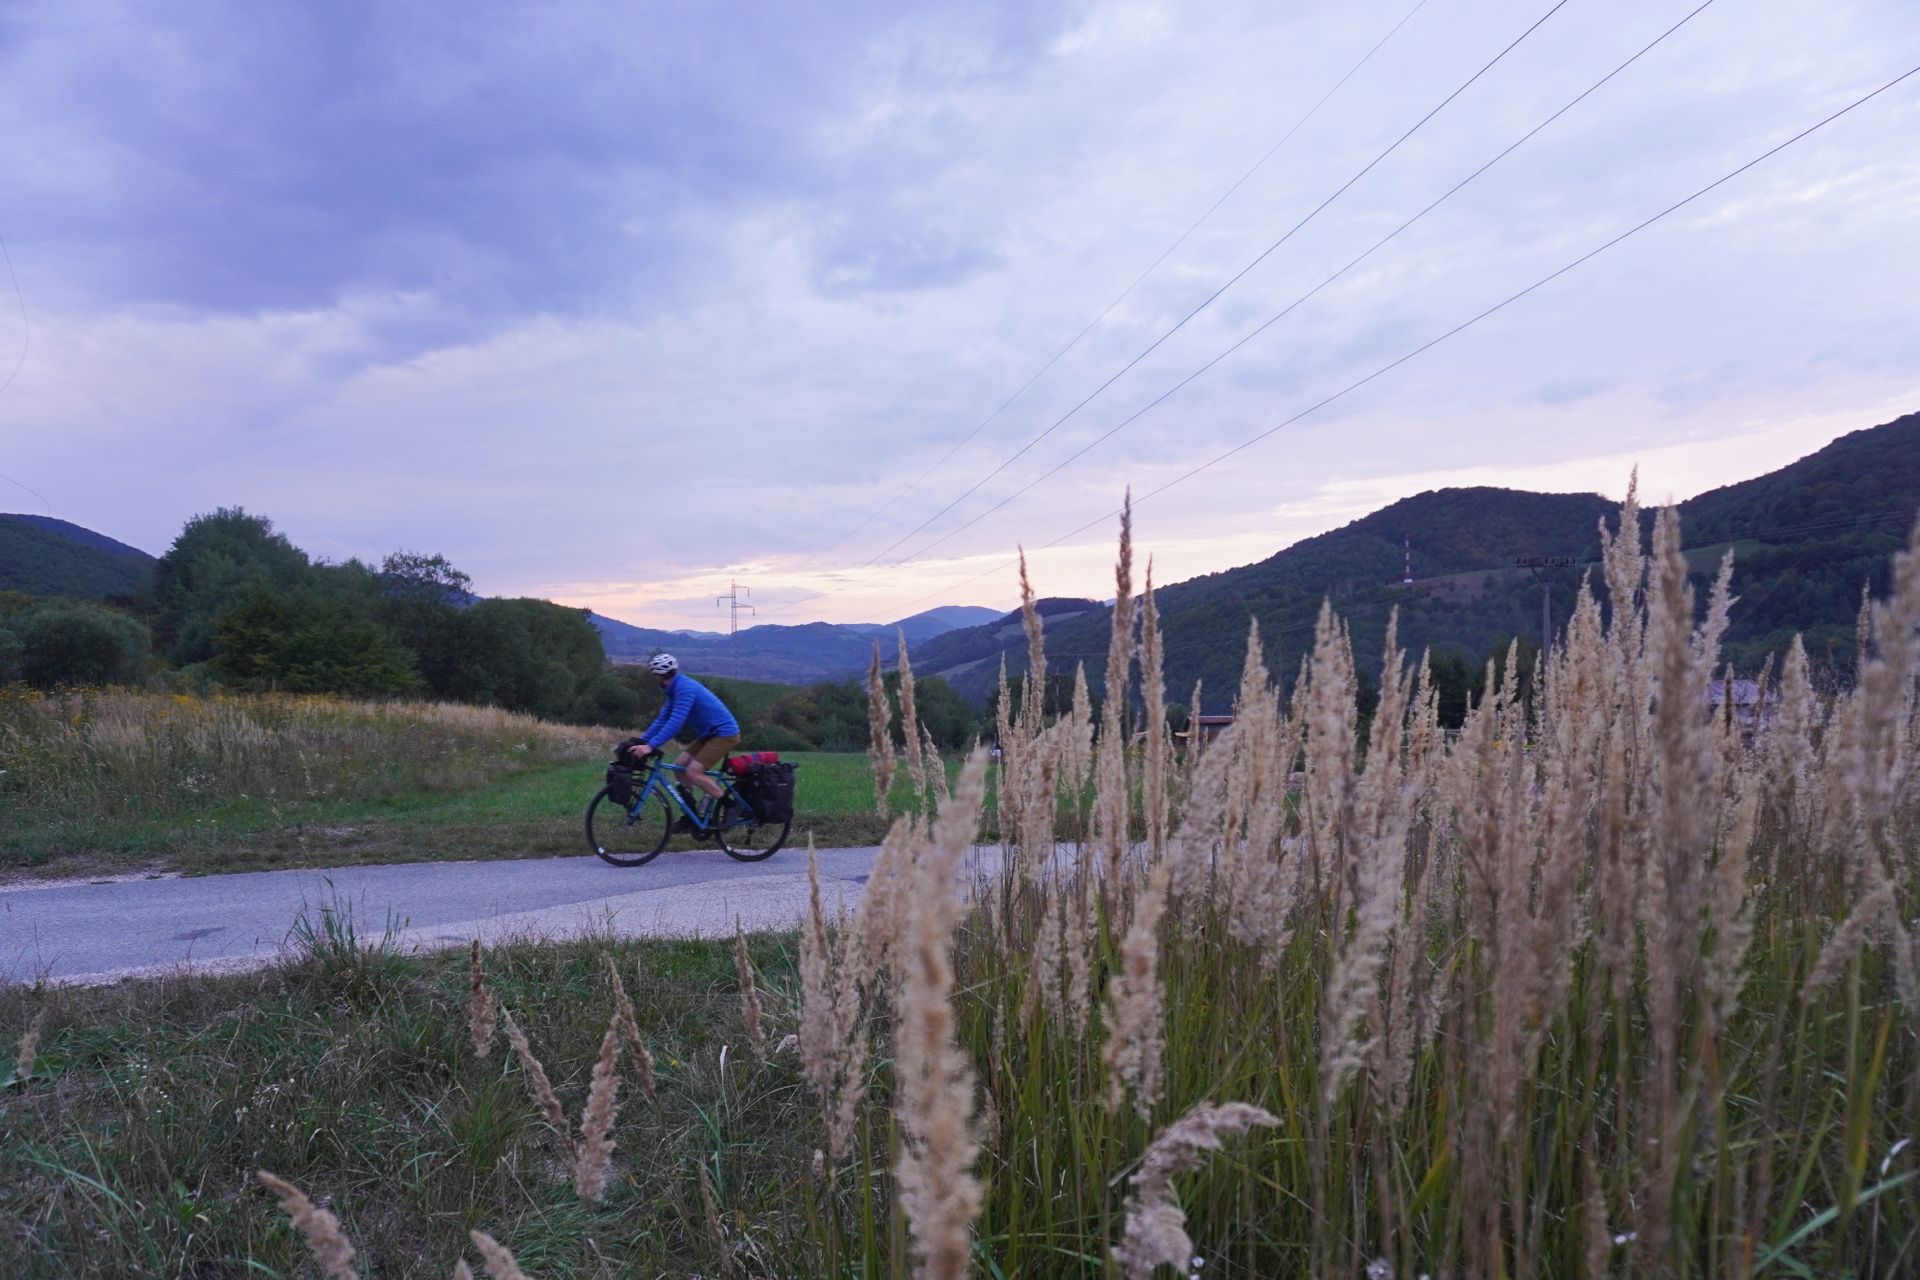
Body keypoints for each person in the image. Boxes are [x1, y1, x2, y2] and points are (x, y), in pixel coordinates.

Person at [630, 653, 741, 831]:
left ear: (659, 676)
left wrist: (650, 746)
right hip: (708, 734)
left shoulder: (685, 688)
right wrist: (641, 741)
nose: (654, 679)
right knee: (679, 767)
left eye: (654, 675)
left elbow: (676, 722)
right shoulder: (674, 690)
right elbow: (662, 719)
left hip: (724, 734)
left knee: (693, 772)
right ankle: (691, 816)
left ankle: (732, 807)